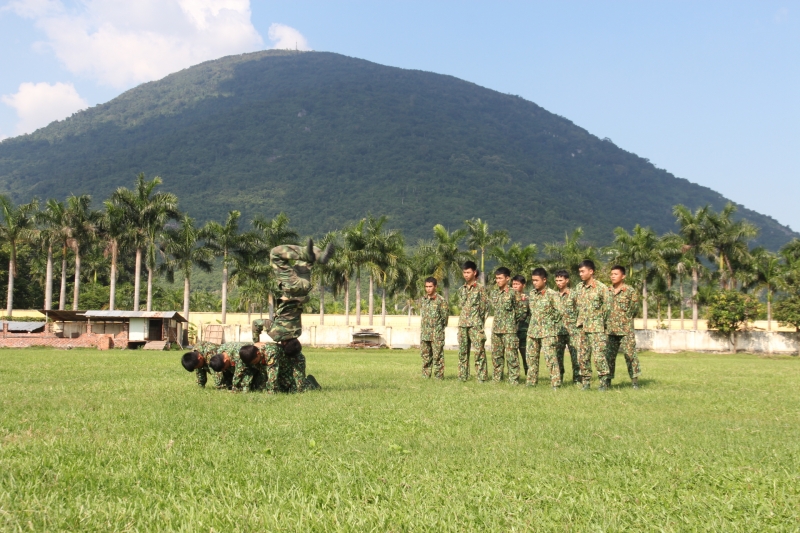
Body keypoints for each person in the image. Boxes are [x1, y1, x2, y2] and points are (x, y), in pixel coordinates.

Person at [268, 239, 333, 342]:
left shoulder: (297, 332)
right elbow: (257, 324)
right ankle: (312, 256)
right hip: (292, 289)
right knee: (275, 253)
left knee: (308, 255)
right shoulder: (275, 334)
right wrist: (256, 340)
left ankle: (319, 257)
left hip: (304, 288)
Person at [574, 260, 612, 390]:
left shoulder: (601, 288)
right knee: (582, 357)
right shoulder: (579, 287)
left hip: (596, 328)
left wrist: (599, 322)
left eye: (583, 271)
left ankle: (604, 382)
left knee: (598, 357)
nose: (581, 274)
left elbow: (607, 309)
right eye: (579, 272)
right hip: (582, 327)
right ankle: (585, 382)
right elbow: (574, 305)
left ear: (591, 271)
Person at [526, 267, 564, 388]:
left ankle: (555, 384)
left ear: (544, 280)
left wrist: (550, 323)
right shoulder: (532, 294)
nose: (534, 283)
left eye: (537, 280)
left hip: (547, 332)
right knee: (531, 359)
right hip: (532, 331)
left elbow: (560, 312)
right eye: (533, 280)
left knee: (550, 360)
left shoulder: (552, 294)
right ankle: (531, 383)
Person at [607, 265, 642, 389]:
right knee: (608, 357)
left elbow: (635, 308)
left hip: (625, 330)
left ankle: (634, 382)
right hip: (610, 331)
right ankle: (607, 382)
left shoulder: (629, 290)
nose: (613, 276)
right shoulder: (607, 291)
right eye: (611, 274)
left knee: (630, 355)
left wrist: (624, 320)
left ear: (623, 276)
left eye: (616, 274)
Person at [457, 261, 488, 382]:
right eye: (464, 272)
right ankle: (462, 376)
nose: (466, 275)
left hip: (475, 325)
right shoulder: (461, 289)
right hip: (463, 325)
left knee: (479, 352)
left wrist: (479, 323)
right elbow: (462, 306)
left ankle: (481, 377)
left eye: (468, 272)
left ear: (474, 273)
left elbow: (485, 308)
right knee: (462, 352)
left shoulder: (480, 289)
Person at [489, 267, 520, 384]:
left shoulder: (513, 293)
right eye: (496, 278)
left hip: (509, 330)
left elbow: (520, 311)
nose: (498, 281)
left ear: (507, 278)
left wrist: (511, 322)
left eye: (500, 278)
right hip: (496, 330)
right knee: (496, 356)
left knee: (511, 356)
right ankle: (497, 379)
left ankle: (513, 379)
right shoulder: (494, 293)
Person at [419, 276, 448, 380]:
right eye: (426, 286)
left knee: (438, 357)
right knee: (425, 357)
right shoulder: (423, 300)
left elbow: (445, 319)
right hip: (425, 334)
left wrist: (438, 329)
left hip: (437, 334)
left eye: (430, 286)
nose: (428, 289)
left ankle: (438, 377)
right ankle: (425, 376)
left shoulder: (441, 301)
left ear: (435, 287)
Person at [554, 270, 580, 384]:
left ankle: (577, 380)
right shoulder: (553, 296)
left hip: (572, 331)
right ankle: (559, 378)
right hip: (558, 331)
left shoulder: (574, 294)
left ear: (567, 280)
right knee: (557, 357)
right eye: (557, 280)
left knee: (576, 357)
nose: (558, 282)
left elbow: (580, 310)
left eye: (561, 280)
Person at [512, 274, 530, 376]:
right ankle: (514, 376)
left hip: (524, 332)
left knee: (526, 356)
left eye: (517, 284)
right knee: (512, 357)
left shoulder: (528, 299)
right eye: (513, 284)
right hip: (512, 332)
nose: (515, 286)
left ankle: (529, 376)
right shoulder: (509, 298)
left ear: (523, 285)